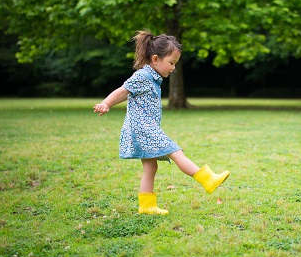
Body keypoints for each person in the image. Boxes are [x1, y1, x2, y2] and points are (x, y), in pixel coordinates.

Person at [93, 30, 230, 215]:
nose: (173, 68)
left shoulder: (153, 78)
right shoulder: (142, 76)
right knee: (176, 151)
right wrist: (106, 103)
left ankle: (147, 206)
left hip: (146, 128)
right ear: (155, 59)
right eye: (171, 63)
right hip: (143, 129)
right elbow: (123, 91)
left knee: (151, 167)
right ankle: (208, 180)